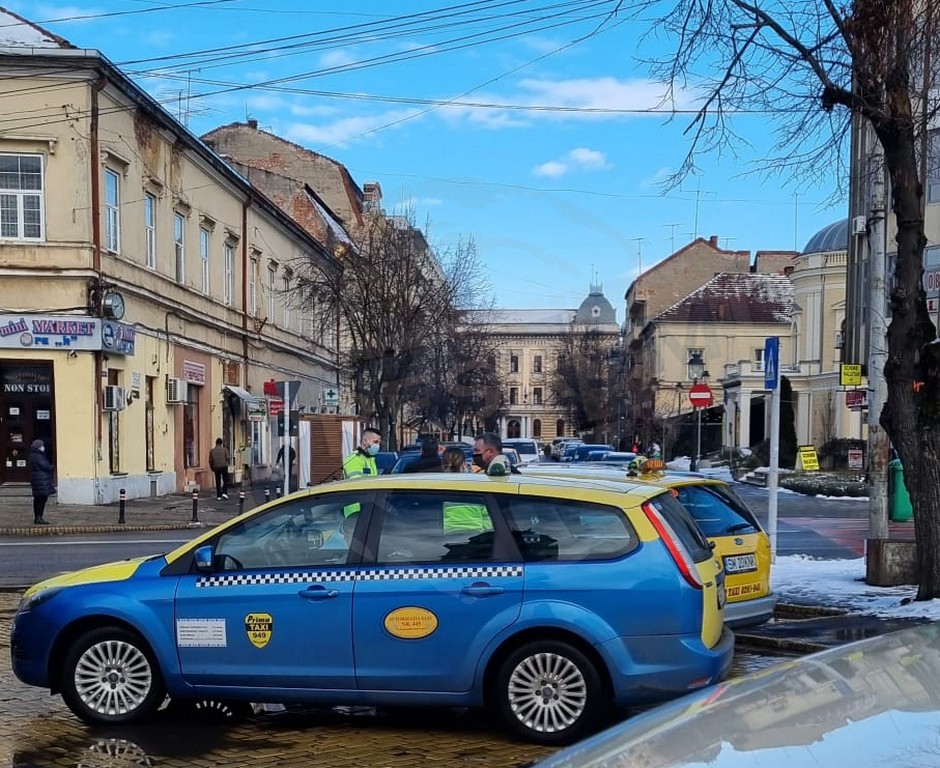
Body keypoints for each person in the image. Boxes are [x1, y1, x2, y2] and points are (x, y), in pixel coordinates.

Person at [28, 438, 54, 525]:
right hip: (41, 480)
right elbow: (45, 466)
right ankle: (39, 517)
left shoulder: (32, 454)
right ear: (38, 447)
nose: (43, 447)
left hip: (36, 480)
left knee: (37, 499)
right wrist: (51, 467)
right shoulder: (38, 455)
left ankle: (37, 517)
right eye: (42, 446)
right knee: (42, 499)